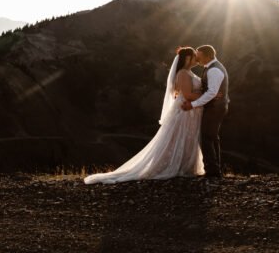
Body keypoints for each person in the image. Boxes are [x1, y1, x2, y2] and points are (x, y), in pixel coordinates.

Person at [84, 47, 206, 185]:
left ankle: (184, 166)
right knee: (179, 137)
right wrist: (208, 95)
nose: (196, 58)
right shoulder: (183, 73)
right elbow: (188, 95)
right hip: (185, 112)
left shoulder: (188, 72)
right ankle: (174, 166)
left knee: (185, 137)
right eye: (193, 55)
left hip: (190, 112)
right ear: (187, 58)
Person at [181, 45, 229, 178]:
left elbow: (212, 93)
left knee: (207, 137)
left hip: (215, 107)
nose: (197, 58)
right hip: (216, 106)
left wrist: (193, 104)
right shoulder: (212, 68)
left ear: (208, 56)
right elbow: (211, 91)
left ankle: (212, 170)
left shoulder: (214, 70)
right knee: (212, 137)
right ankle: (215, 169)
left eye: (199, 55)